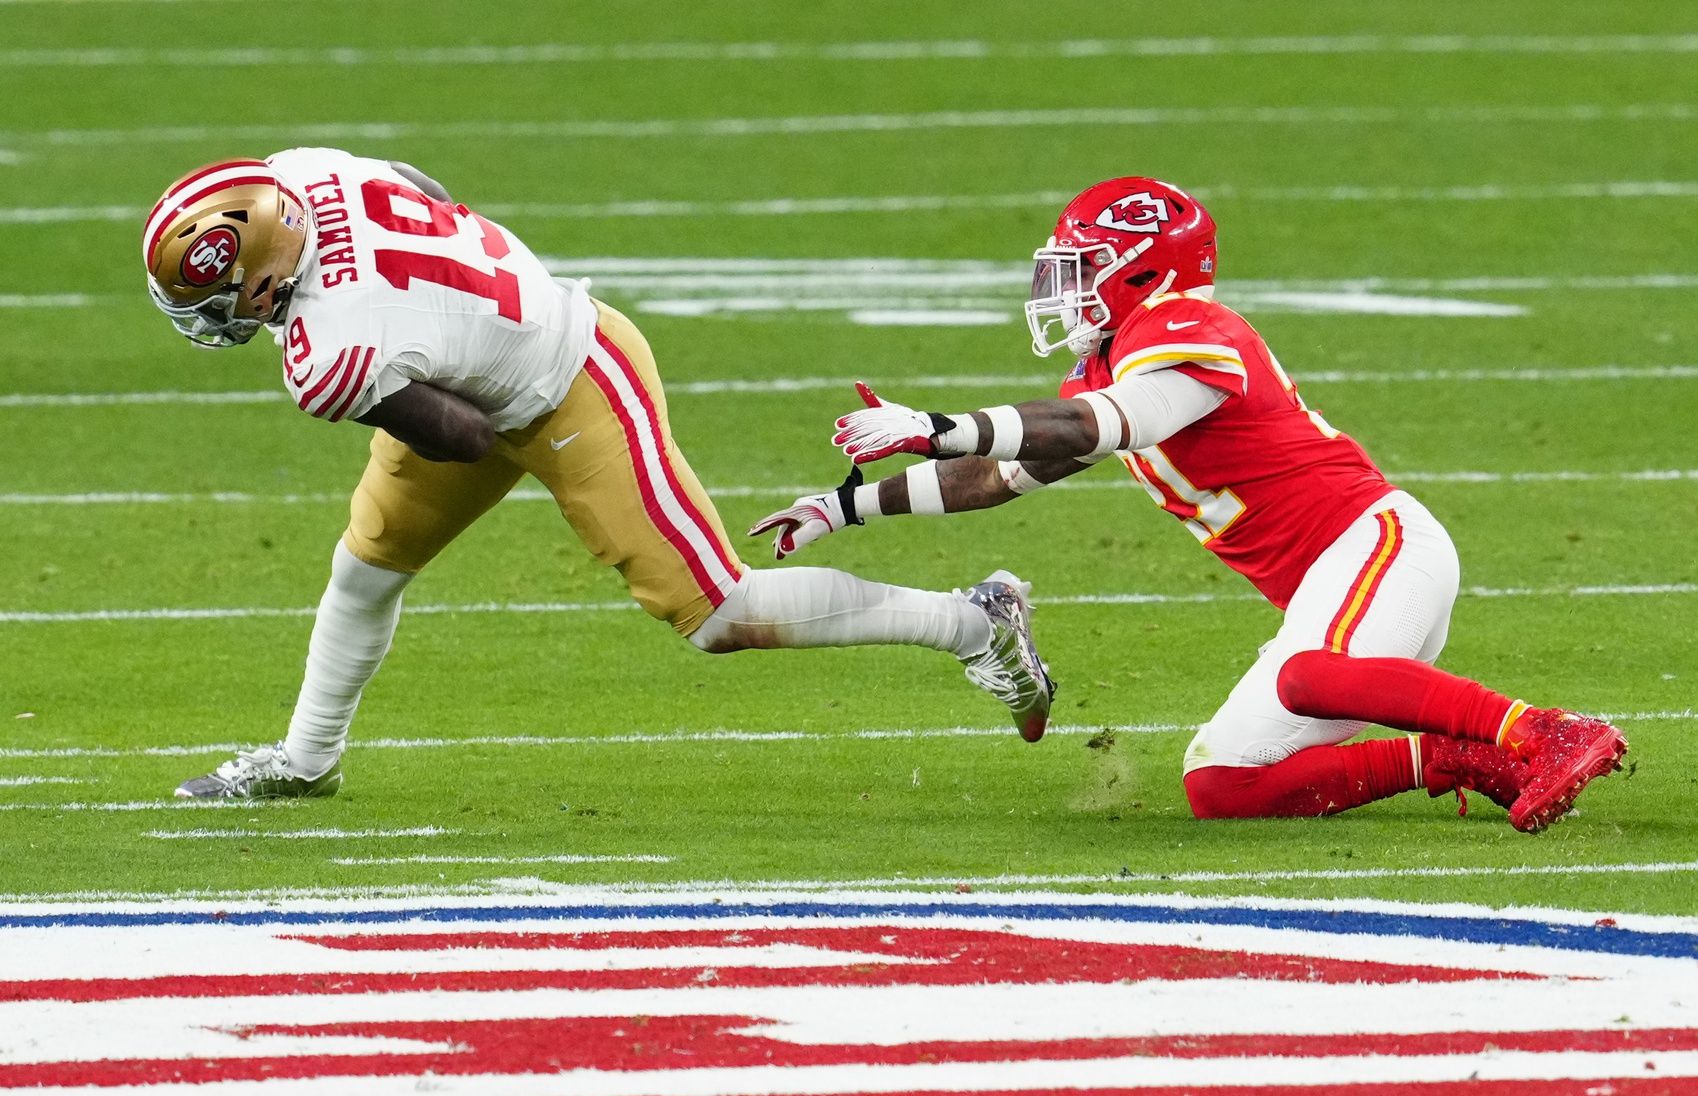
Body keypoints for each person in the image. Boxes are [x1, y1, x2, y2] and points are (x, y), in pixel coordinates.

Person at [142, 149, 1054, 799]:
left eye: (219, 297)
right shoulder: (305, 171)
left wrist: (394, 371)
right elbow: (427, 189)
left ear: (264, 268)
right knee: (365, 564)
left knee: (719, 615)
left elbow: (462, 437)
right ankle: (308, 761)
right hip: (474, 364)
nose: (214, 318)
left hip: (573, 378)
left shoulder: (331, 347)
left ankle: (976, 620)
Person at [752, 177, 1626, 833]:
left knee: (1306, 673)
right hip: (1336, 585)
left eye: (1084, 268)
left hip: (1377, 547)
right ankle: (1456, 756)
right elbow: (1002, 474)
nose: (1063, 288)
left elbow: (1100, 422)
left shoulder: (1187, 335)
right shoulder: (1114, 361)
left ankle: (1546, 729)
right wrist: (847, 506)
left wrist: (941, 424)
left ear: (1142, 273)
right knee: (1223, 784)